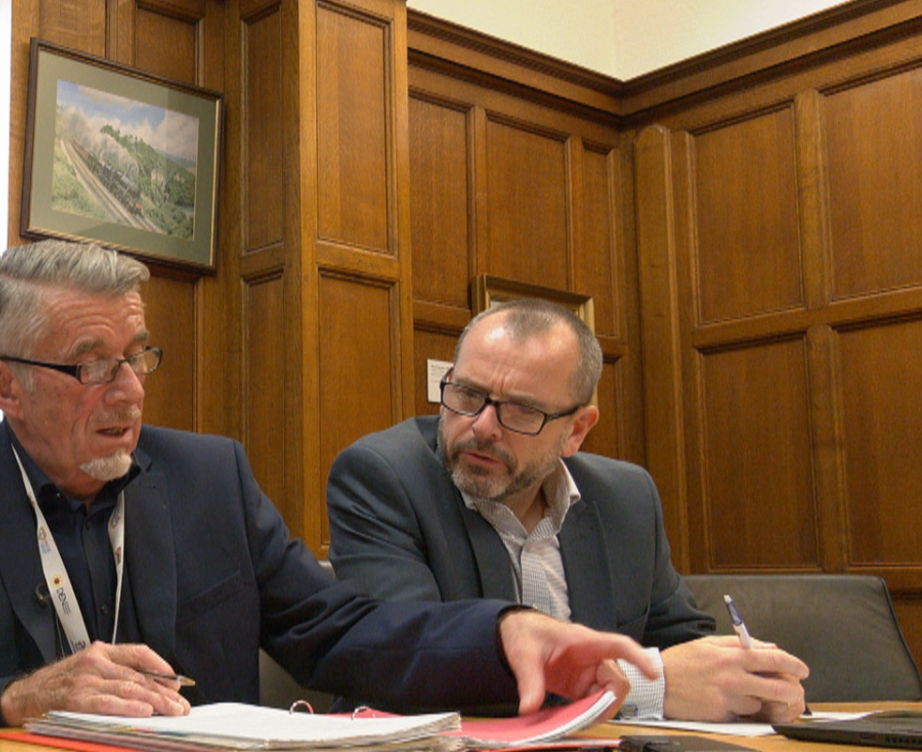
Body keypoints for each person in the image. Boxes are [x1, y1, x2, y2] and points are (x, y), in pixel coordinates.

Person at [0, 241, 656, 732]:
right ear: (4, 384)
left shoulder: (210, 478)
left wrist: (502, 634)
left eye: (139, 354)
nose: (129, 390)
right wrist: (15, 699)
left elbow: (338, 631)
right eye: (93, 365)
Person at [326, 298, 809, 722]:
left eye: (520, 410)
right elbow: (414, 663)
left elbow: (682, 646)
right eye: (468, 394)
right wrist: (650, 684)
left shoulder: (626, 498)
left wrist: (742, 685)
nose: (482, 426)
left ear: (577, 429)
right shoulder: (383, 478)